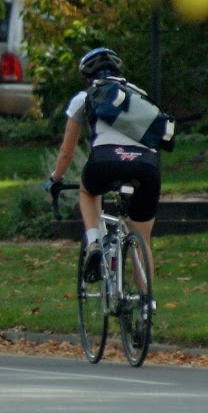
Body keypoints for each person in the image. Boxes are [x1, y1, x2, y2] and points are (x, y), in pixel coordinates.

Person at [43, 47, 161, 288]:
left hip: (105, 161)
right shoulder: (139, 95)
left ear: (87, 77)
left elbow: (67, 151)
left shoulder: (84, 98)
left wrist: (56, 178)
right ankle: (147, 303)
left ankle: (95, 242)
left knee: (88, 190)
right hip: (146, 166)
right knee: (143, 241)